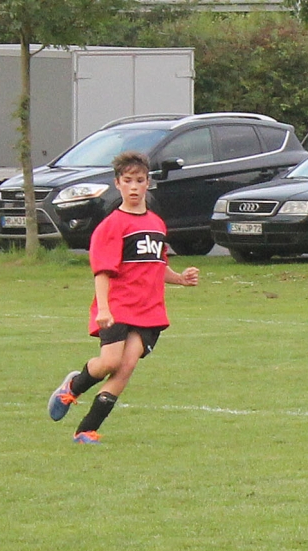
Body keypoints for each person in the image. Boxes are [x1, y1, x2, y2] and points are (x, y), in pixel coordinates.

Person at [46, 151, 200, 444]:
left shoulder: (156, 224)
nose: (133, 187)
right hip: (117, 307)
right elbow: (102, 271)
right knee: (110, 362)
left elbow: (156, 265)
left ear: (147, 183)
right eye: (127, 181)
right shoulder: (112, 226)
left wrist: (180, 278)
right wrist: (103, 309)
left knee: (127, 366)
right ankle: (72, 388)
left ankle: (85, 430)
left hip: (149, 310)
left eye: (139, 180)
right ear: (117, 183)